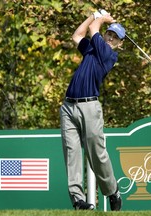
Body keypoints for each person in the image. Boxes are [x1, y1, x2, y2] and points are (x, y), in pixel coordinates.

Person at [60, 9, 125, 211]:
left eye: (115, 38)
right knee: (72, 153)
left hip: (90, 107)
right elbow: (77, 35)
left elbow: (92, 30)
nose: (110, 39)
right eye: (109, 34)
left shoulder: (108, 55)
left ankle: (112, 191)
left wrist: (101, 19)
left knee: (97, 154)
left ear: (119, 44)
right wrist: (93, 14)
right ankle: (78, 200)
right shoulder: (90, 50)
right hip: (69, 107)